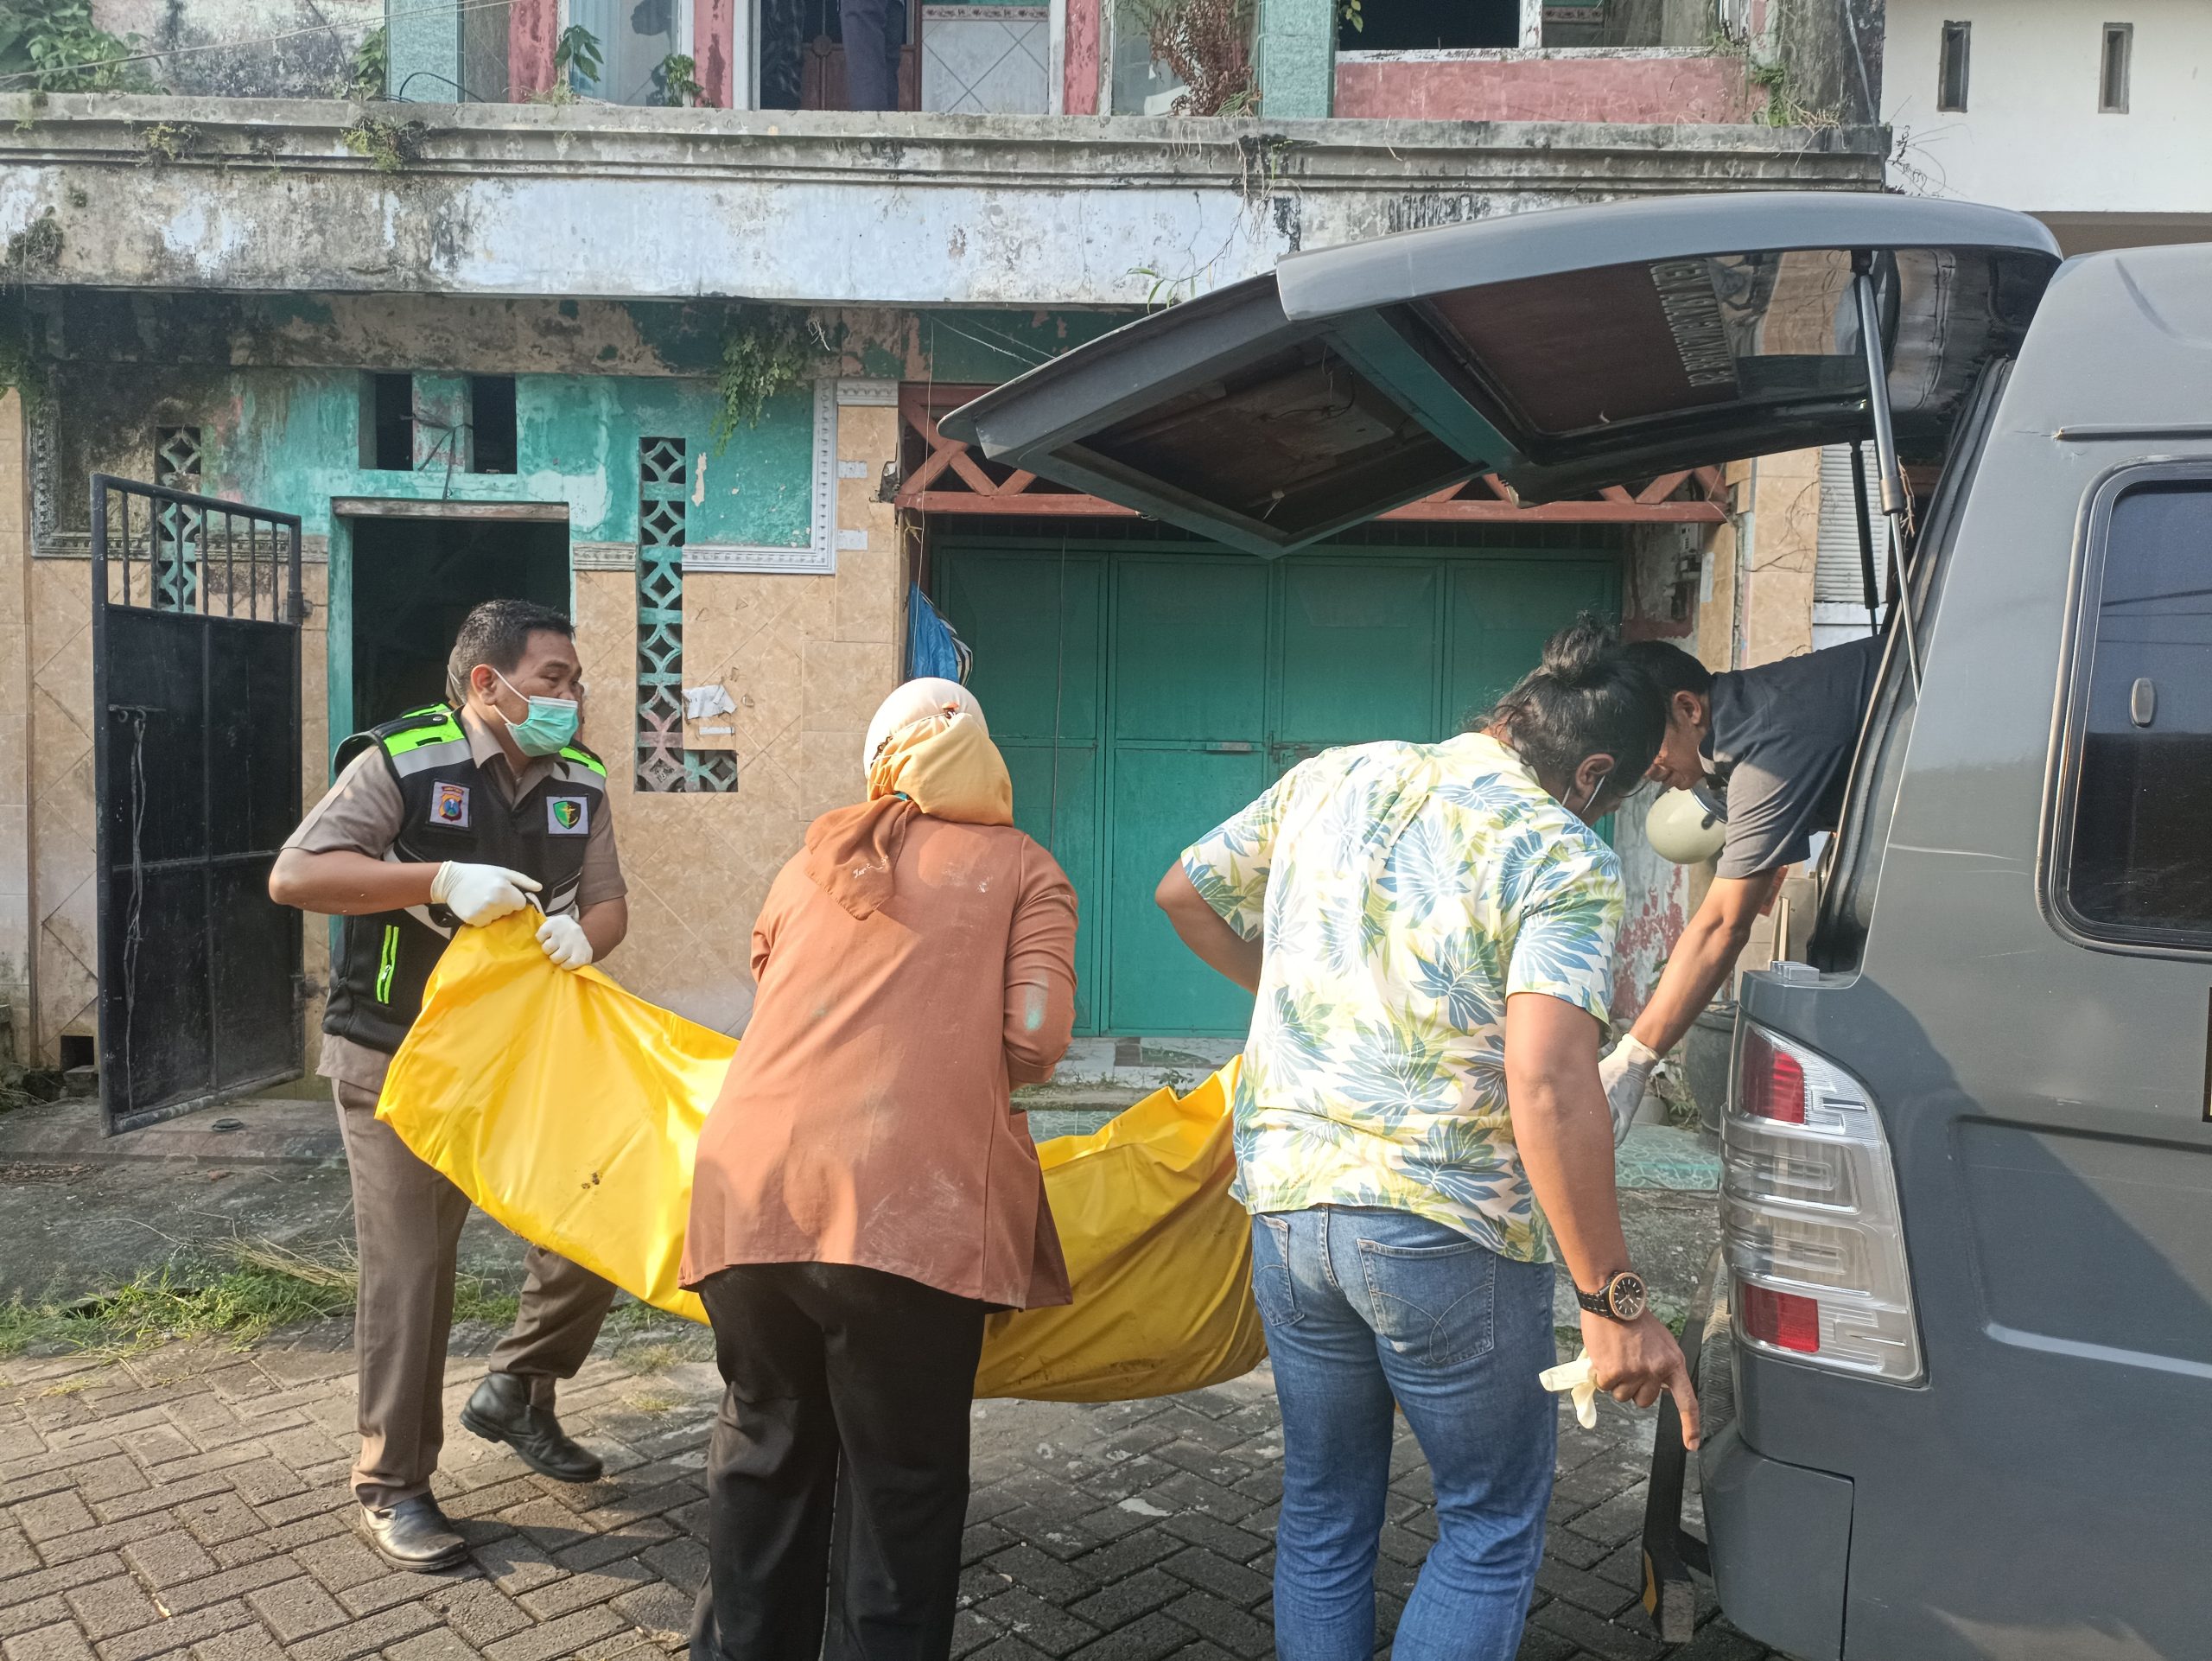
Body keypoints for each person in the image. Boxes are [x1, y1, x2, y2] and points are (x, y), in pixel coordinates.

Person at [1154, 619, 1699, 1661]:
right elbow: (1546, 1081)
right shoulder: (1560, 853)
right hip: (1440, 1226)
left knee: (1322, 1507)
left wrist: (1308, 1003)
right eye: (1624, 792)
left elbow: (1184, 892)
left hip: (1289, 1208)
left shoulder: (1334, 775)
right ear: (1591, 772)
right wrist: (1612, 1301)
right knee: (1488, 1523)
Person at [681, 678, 1078, 1661]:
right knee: (900, 1485)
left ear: (880, 764)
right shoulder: (1024, 869)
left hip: (745, 1201)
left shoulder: (804, 863)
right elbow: (1036, 1041)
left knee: (765, 1455)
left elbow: (780, 999)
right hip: (907, 1217)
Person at [268, 599, 628, 1572]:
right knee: (413, 1271)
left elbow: (607, 901)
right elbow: (296, 874)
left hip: (523, 1052)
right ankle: (393, 1485)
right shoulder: (401, 760)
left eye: (575, 679)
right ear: (487, 682)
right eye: (554, 677)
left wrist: (583, 937)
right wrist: (435, 879)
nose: (573, 696)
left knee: (599, 1216)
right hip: (400, 1059)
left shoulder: (580, 779)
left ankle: (517, 1387)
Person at [1598, 635, 1884, 1126]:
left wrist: (1635, 1057)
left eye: (1648, 747)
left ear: (1687, 708)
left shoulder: (1765, 744)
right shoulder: (1749, 714)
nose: (1647, 770)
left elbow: (1723, 926)